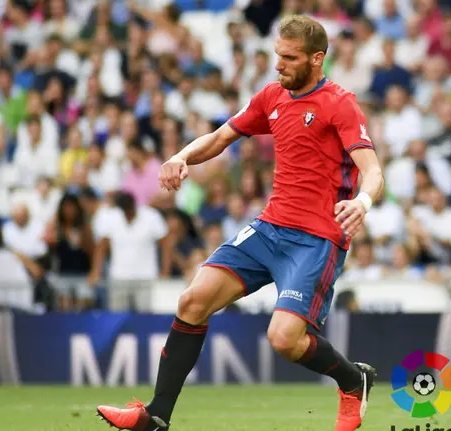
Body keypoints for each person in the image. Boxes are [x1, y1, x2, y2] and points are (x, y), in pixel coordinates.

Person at [96, 15, 384, 431]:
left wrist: (362, 201)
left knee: (283, 339)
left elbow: (372, 170)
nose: (279, 65)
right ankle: (156, 416)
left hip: (316, 239)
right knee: (192, 302)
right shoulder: (271, 97)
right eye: (277, 56)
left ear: (317, 59)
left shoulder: (339, 103)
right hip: (269, 228)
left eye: (290, 58)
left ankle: (353, 380)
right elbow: (218, 138)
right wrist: (181, 157)